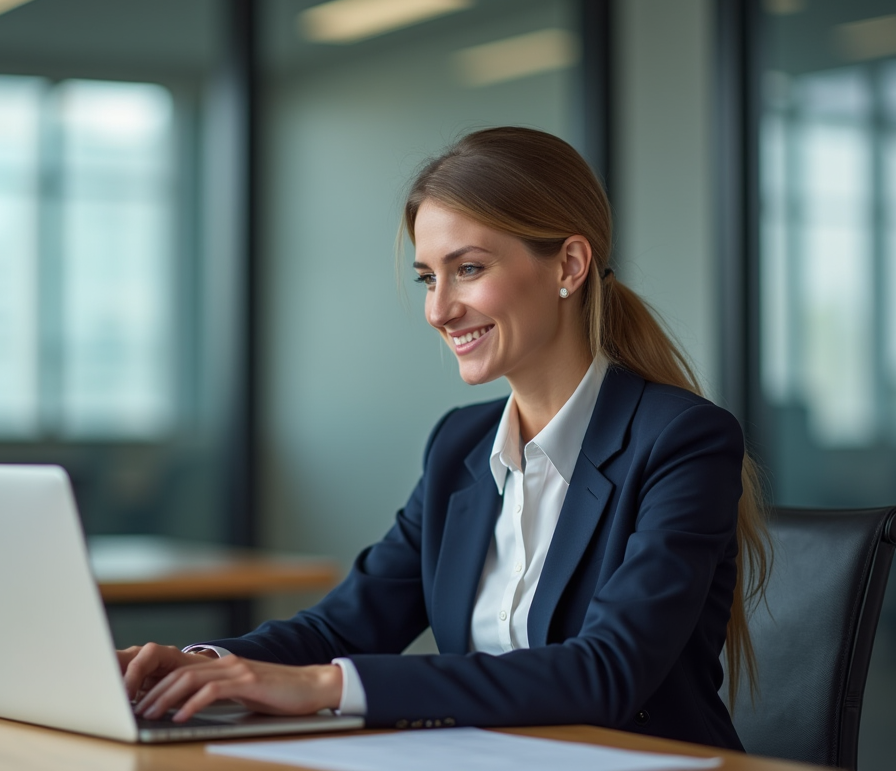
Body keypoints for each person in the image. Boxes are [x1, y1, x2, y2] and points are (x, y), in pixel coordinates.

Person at [119, 126, 768, 750]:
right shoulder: (460, 445)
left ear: (568, 264)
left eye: (469, 268)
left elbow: (604, 673)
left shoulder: (682, 441)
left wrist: (323, 686)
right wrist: (193, 664)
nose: (438, 310)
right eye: (429, 277)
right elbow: (348, 622)